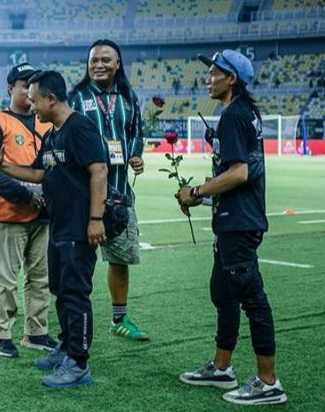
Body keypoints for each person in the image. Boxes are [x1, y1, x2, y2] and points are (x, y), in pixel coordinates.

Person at [0, 70, 108, 388]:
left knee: (76, 295)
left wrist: (95, 220)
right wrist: (1, 164)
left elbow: (99, 171)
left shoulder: (80, 127)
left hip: (80, 227)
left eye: (35, 98)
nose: (31, 104)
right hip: (58, 225)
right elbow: (37, 173)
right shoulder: (53, 133)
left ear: (51, 98)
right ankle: (66, 348)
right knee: (60, 292)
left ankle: (78, 364)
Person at [177, 49, 287, 405]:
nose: (208, 78)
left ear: (232, 79)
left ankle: (268, 381)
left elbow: (238, 173)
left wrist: (195, 191)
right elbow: (243, 174)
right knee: (223, 293)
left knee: (252, 298)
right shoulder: (243, 114)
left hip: (239, 225)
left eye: (214, 73)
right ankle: (222, 368)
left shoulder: (234, 116)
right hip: (235, 219)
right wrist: (208, 196)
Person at [69, 39, 148, 341]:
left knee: (119, 259)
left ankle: (119, 318)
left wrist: (136, 155)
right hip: (83, 197)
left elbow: (137, 133)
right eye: (93, 60)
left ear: (118, 64)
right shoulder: (75, 98)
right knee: (78, 263)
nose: (99, 65)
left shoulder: (128, 97)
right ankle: (74, 323)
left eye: (105, 60)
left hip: (119, 194)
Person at [0, 63, 56, 358]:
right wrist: (26, 196)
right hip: (9, 215)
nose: (28, 90)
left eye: (33, 85)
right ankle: (1, 335)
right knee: (6, 280)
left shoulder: (47, 122)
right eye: (24, 84)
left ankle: (36, 333)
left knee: (41, 278)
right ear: (10, 88)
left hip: (44, 216)